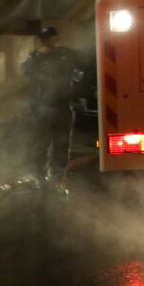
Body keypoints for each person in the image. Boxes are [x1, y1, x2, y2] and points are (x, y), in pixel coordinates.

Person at [20, 27, 83, 191]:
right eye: (48, 39)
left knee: (60, 145)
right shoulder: (36, 59)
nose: (52, 42)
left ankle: (56, 179)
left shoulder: (64, 56)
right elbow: (25, 70)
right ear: (43, 41)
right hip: (44, 108)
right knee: (42, 145)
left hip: (60, 107)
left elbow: (77, 74)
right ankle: (41, 178)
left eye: (53, 38)